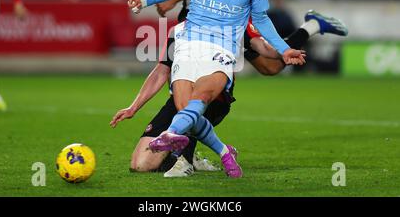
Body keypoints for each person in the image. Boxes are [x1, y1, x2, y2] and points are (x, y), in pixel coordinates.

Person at [128, 0, 307, 178]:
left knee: (197, 102)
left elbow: (262, 20)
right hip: (189, 46)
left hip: (220, 52)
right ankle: (222, 151)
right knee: (184, 110)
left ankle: (173, 142)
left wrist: (284, 48)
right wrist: (144, 0)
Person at [110, 10, 348, 177]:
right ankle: (190, 153)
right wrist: (133, 107)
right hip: (182, 89)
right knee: (140, 164)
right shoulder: (180, 24)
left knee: (272, 65)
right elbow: (162, 70)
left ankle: (186, 158)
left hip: (213, 95)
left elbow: (266, 48)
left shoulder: (231, 14)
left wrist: (286, 51)